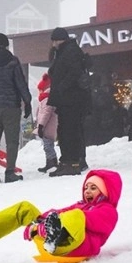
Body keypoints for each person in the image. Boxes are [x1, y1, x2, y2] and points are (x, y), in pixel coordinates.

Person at [0, 169, 122, 257]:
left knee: (77, 216)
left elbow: (83, 219)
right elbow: (60, 213)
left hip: (77, 246)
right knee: (25, 208)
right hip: (48, 242)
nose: (87, 191)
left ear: (106, 192)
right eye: (86, 187)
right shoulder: (81, 205)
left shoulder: (108, 211)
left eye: (93, 188)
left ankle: (57, 236)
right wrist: (41, 222)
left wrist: (42, 228)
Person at [0, 32, 32, 184]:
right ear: (5, 44)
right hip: (10, 106)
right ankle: (9, 173)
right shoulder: (12, 60)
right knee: (12, 141)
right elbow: (20, 83)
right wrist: (27, 102)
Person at [46, 27, 91, 177]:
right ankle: (66, 162)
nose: (53, 44)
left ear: (59, 40)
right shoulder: (64, 51)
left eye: (54, 41)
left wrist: (61, 87)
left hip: (71, 99)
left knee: (69, 131)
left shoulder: (70, 51)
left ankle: (72, 163)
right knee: (64, 130)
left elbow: (74, 72)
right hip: (67, 99)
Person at [35, 72, 58, 172]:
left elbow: (46, 113)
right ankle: (50, 162)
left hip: (47, 127)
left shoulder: (46, 98)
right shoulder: (45, 98)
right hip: (47, 126)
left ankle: (52, 162)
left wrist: (40, 126)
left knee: (48, 146)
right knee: (47, 145)